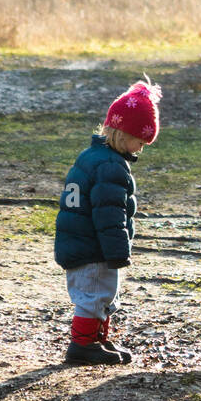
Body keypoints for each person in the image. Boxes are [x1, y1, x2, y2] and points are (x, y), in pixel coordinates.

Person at [54, 78, 160, 365]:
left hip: (79, 242)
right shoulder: (111, 166)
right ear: (124, 134)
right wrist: (117, 251)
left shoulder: (92, 156)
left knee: (100, 295)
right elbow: (109, 214)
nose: (140, 148)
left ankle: (97, 340)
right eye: (140, 141)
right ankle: (82, 345)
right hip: (93, 247)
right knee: (94, 295)